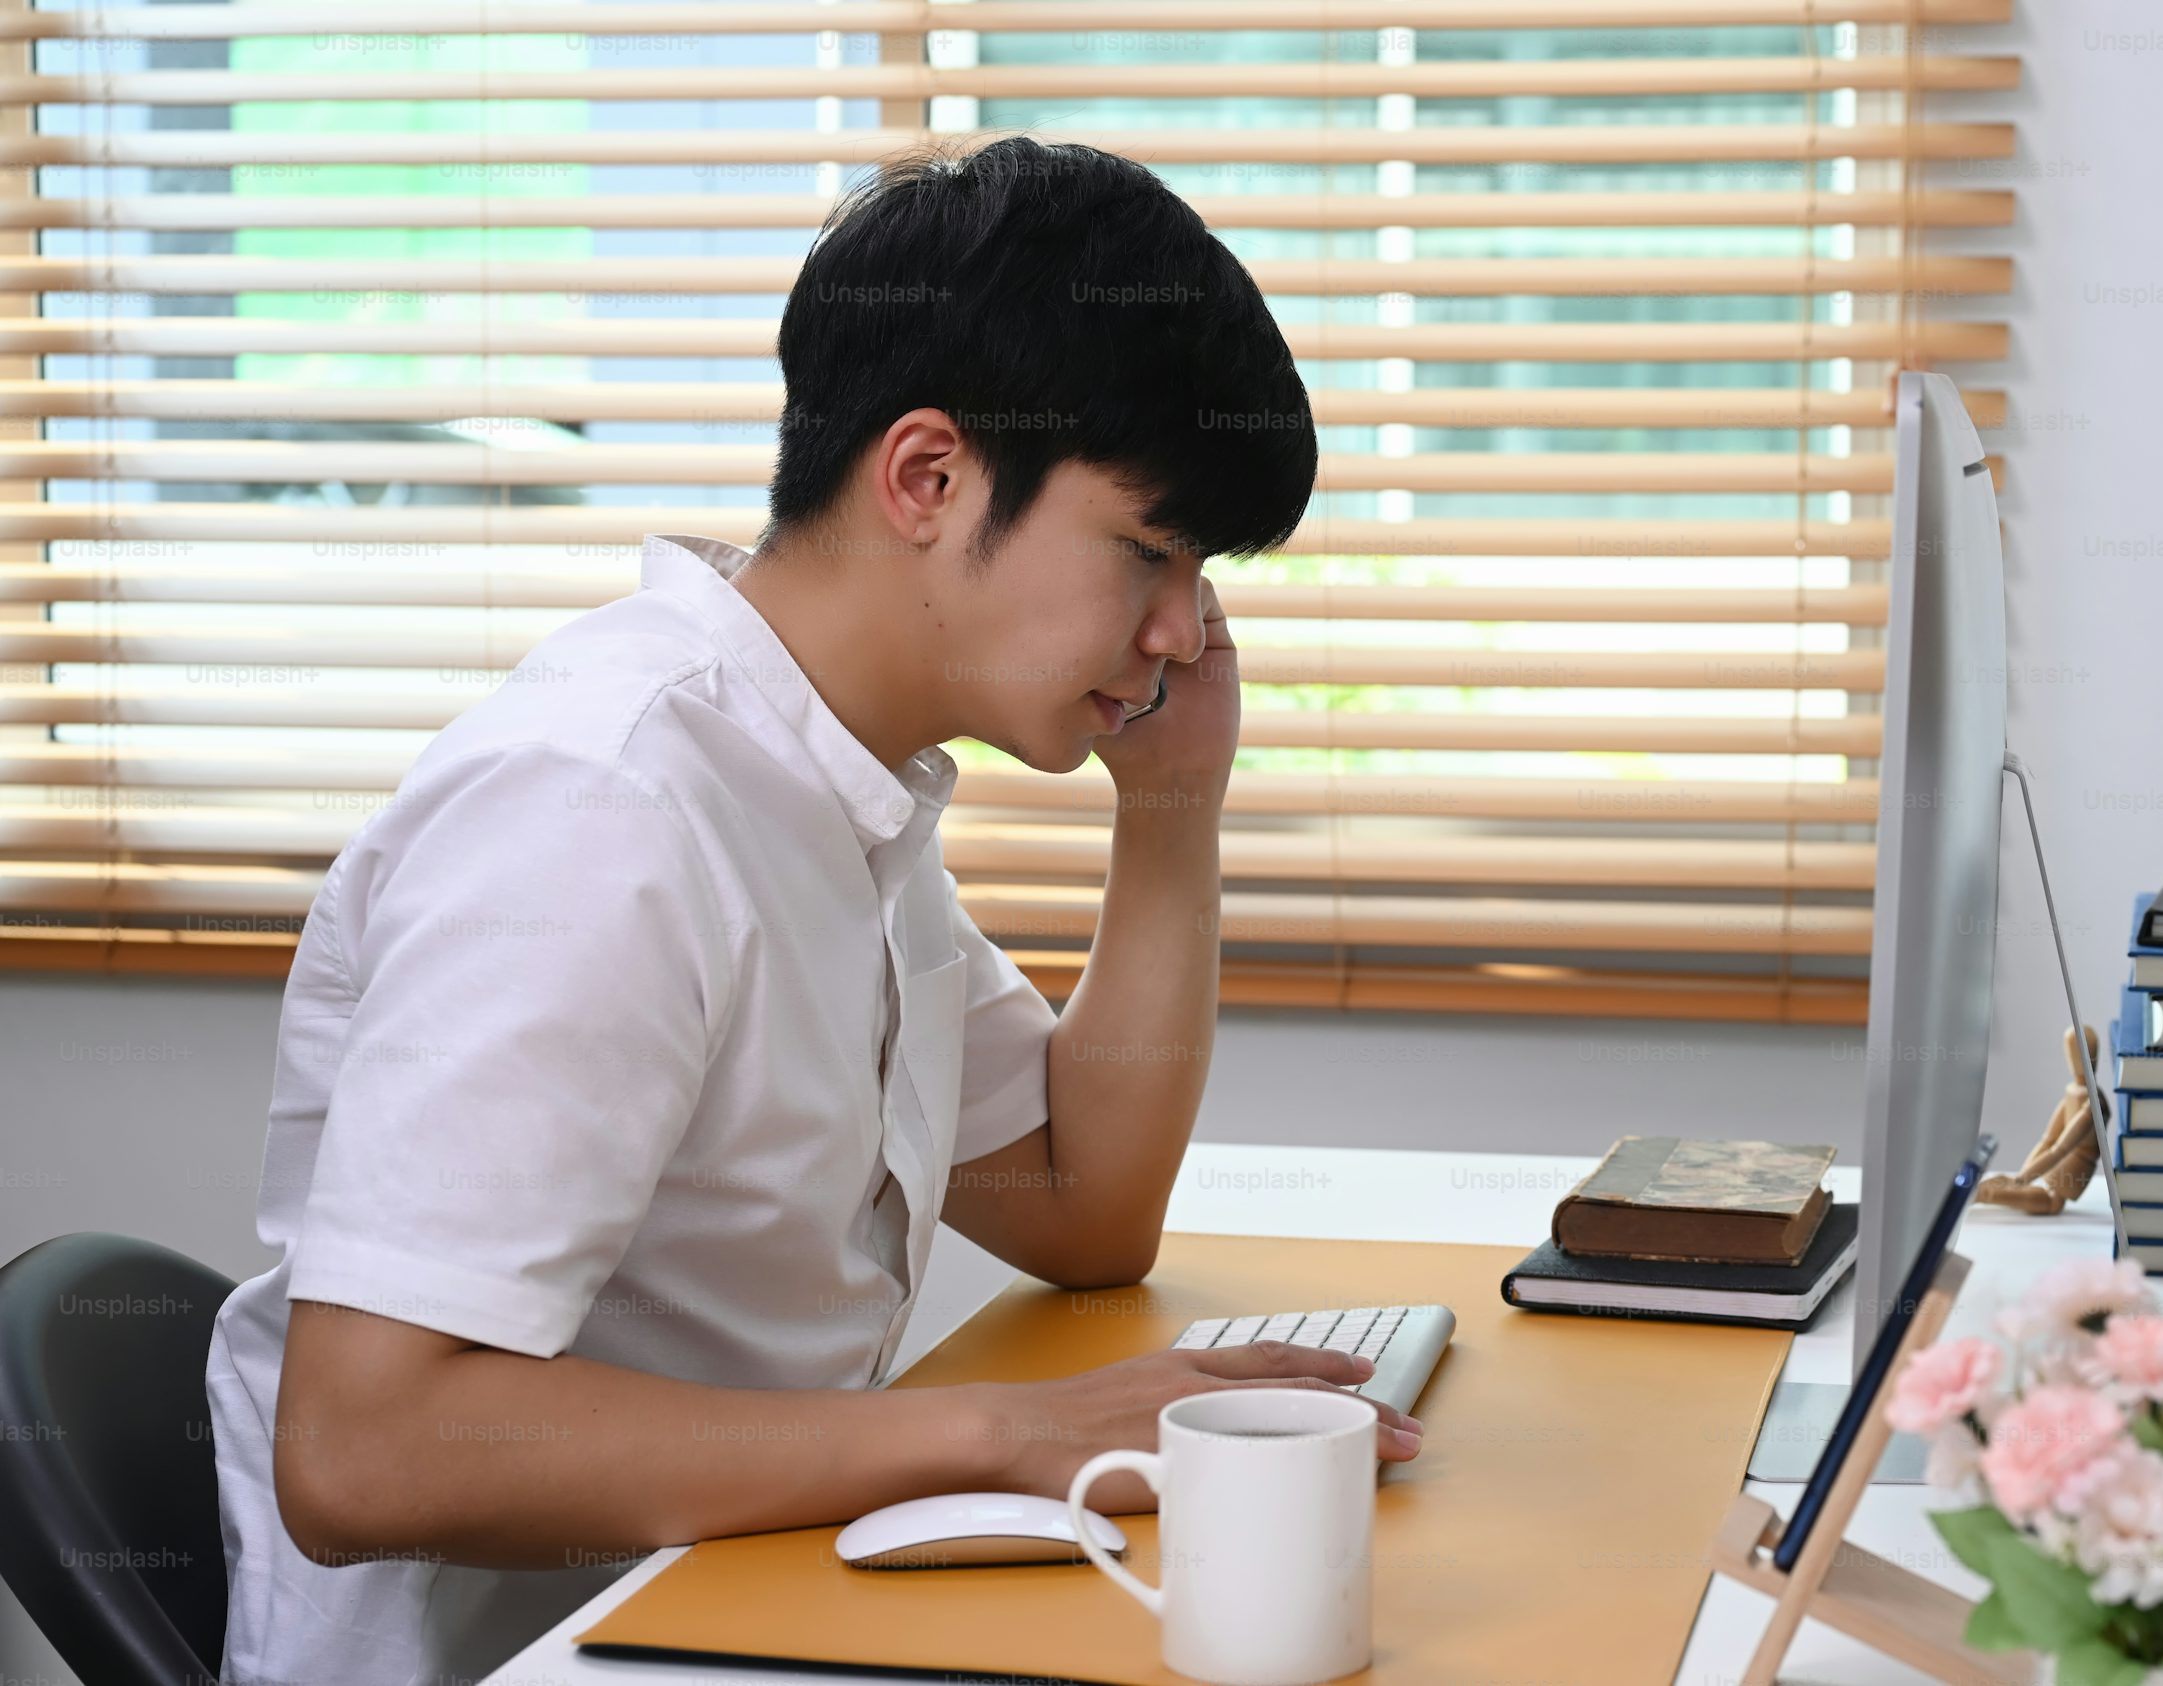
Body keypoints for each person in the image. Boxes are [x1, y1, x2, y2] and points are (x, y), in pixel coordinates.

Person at [201, 136, 1418, 1686]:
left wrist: (1172, 812)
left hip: (750, 1614)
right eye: (1150, 550)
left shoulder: (838, 785)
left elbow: (1083, 1202)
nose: (1184, 630)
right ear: (929, 476)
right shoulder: (607, 806)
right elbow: (366, 1448)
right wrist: (1002, 1432)